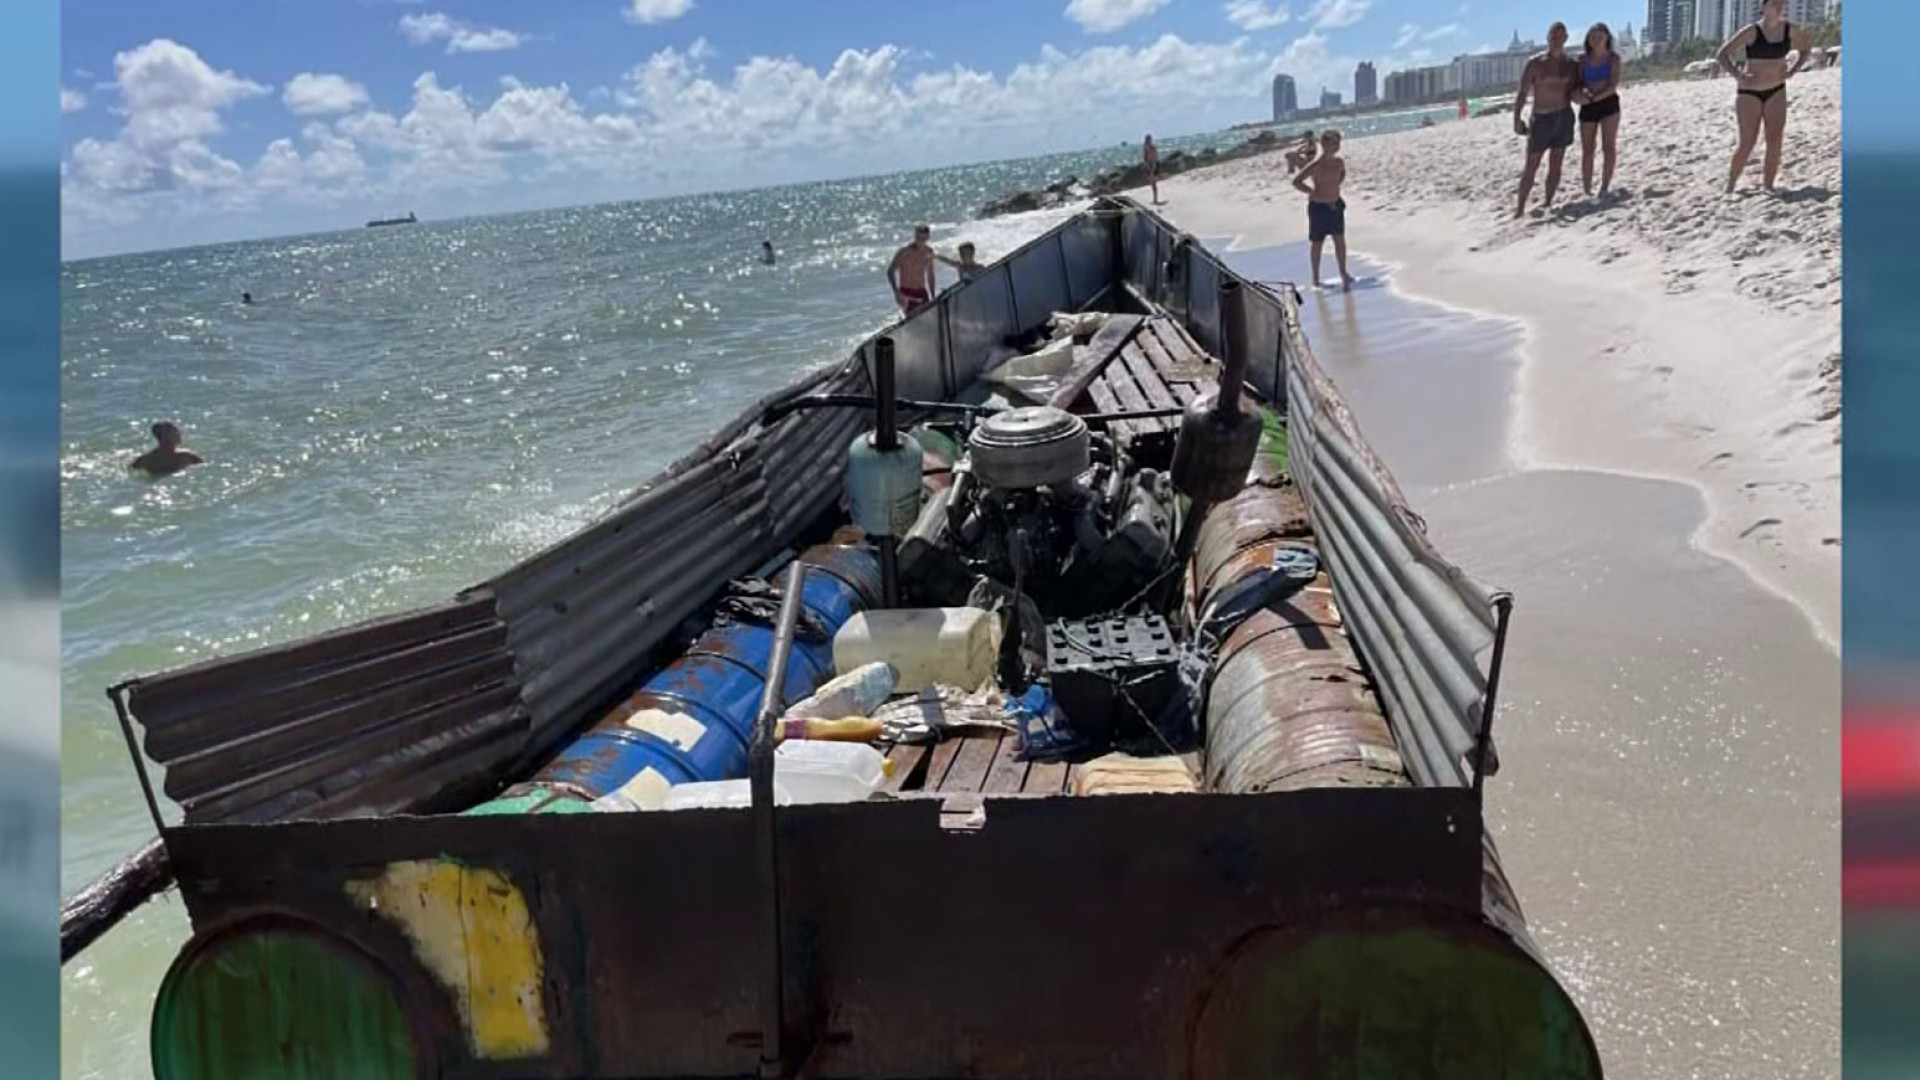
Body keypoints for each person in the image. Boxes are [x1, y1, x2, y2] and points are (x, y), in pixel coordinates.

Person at [1716, 0, 1809, 193]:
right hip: (1749, 93)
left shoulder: (1789, 30)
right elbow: (1722, 55)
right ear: (1763, 6)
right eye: (1774, 3)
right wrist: (1738, 75)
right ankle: (1731, 185)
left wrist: (1792, 70)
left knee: (1775, 139)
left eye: (1781, 3)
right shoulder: (1751, 31)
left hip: (1776, 90)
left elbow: (1805, 49)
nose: (1779, 6)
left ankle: (1768, 185)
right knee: (1747, 142)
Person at [1512, 22, 1582, 218]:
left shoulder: (1571, 65)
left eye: (1560, 36)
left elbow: (1579, 90)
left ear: (1566, 38)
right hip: (1541, 118)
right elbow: (1522, 93)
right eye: (1553, 36)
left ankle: (1548, 202)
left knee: (1556, 164)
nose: (1556, 40)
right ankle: (1519, 209)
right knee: (1531, 165)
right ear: (1547, 38)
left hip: (1563, 116)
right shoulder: (1536, 63)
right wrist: (1517, 118)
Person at [1291, 129, 1353, 292]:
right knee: (1317, 243)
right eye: (1334, 143)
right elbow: (1296, 181)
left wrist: (1334, 188)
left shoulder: (1339, 162)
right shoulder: (1315, 165)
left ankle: (1343, 273)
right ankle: (1316, 278)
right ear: (1324, 144)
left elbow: (1341, 176)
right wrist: (1310, 191)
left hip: (1335, 205)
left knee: (1339, 240)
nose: (1337, 146)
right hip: (1318, 208)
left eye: (1338, 143)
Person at [1575, 22, 1624, 199]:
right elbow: (1579, 83)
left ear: (1607, 38)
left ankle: (1604, 185)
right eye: (1593, 37)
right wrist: (1585, 94)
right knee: (1588, 148)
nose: (1596, 40)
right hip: (1588, 105)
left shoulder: (1613, 59)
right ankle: (1587, 187)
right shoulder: (1582, 59)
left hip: (1608, 103)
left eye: (1600, 37)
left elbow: (1613, 85)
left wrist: (1596, 97)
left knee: (1608, 146)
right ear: (1588, 40)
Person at [886, 225, 937, 314]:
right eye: (918, 238)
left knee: (929, 318)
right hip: (906, 292)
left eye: (923, 239)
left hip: (921, 292)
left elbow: (930, 275)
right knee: (913, 319)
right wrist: (896, 292)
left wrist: (933, 296)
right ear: (914, 236)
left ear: (928, 237)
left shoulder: (929, 252)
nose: (920, 241)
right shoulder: (904, 252)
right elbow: (890, 271)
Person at [129, 421, 204, 477]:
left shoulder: (187, 456)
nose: (179, 433)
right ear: (165, 437)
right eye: (174, 432)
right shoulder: (186, 456)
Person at [1142, 134, 1160, 205]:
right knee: (1152, 184)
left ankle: (1155, 199)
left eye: (1147, 140)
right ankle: (1154, 199)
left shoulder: (1152, 148)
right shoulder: (1145, 147)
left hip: (1153, 165)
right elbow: (1145, 158)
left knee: (1153, 183)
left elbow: (1154, 159)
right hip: (1149, 165)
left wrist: (1153, 169)